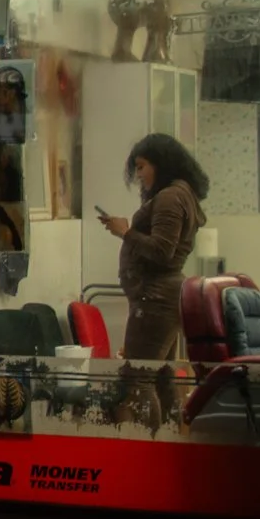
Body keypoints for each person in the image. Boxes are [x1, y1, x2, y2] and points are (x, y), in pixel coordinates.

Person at [98, 131, 208, 372]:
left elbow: (162, 250)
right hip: (161, 296)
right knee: (160, 378)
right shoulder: (181, 194)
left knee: (137, 378)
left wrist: (125, 232)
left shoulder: (170, 197)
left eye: (141, 167)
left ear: (161, 163)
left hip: (155, 298)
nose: (138, 176)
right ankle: (173, 412)